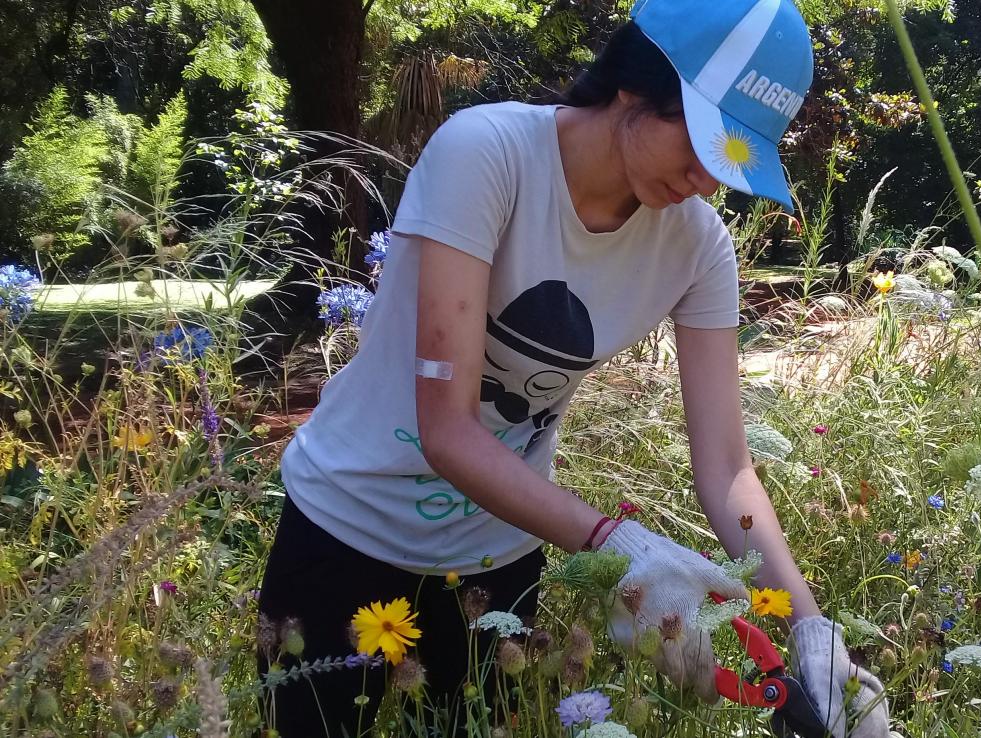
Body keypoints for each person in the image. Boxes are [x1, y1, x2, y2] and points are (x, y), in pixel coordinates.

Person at [256, 0, 891, 736]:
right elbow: (447, 428)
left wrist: (813, 635)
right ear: (633, 83)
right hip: (343, 534)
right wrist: (613, 544)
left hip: (497, 560)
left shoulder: (697, 248)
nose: (707, 182)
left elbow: (726, 468)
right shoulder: (486, 154)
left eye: (732, 163)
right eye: (701, 144)